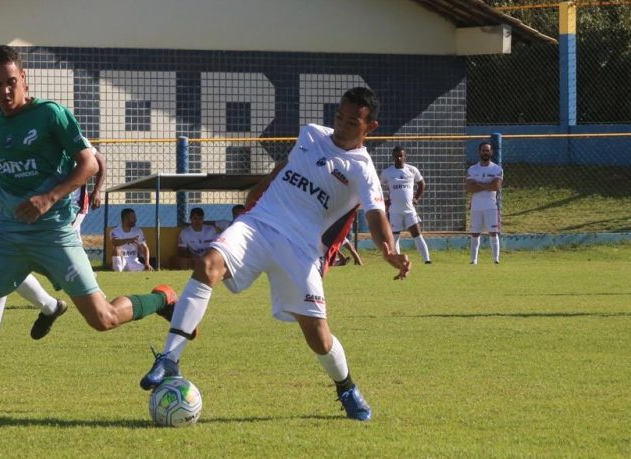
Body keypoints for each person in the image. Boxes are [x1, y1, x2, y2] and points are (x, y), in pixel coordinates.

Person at [0, 45, 178, 415]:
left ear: (24, 79)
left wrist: (49, 197)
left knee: (103, 319)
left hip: (53, 234)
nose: (5, 90)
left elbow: (89, 164)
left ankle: (162, 298)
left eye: (11, 82)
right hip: (8, 235)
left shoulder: (51, 114)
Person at [139, 87, 411, 422]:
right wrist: (261, 187)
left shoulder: (362, 170)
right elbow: (288, 164)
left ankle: (346, 386)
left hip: (300, 249)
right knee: (207, 264)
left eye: (352, 122)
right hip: (259, 223)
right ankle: (169, 358)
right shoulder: (311, 133)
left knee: (318, 335)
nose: (341, 125)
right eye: (339, 116)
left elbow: (375, 213)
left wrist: (388, 248)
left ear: (370, 127)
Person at [0, 103, 107, 363]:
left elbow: (91, 158)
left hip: (40, 214)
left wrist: (66, 194)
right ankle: (51, 306)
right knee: (2, 270)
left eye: (11, 82)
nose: (5, 90)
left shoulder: (43, 116)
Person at [379, 146, 432, 264]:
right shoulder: (387, 172)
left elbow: (422, 184)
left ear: (405, 156)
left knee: (417, 234)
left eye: (401, 155)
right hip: (394, 211)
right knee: (395, 237)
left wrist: (416, 198)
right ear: (393, 157)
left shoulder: (412, 170)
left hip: (409, 210)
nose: (398, 158)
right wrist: (383, 200)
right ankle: (398, 261)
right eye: (396, 156)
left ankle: (427, 260)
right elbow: (377, 186)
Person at [466, 142, 503, 264]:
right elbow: (470, 188)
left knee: (493, 233)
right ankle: (473, 260)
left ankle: (496, 259)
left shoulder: (497, 169)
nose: (485, 153)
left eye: (487, 151)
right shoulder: (472, 169)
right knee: (475, 233)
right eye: (483, 150)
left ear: (491, 152)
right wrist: (488, 185)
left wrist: (478, 183)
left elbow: (496, 186)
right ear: (479, 152)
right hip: (476, 206)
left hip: (491, 206)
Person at [110, 208, 153, 272]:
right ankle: (118, 271)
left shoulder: (138, 231)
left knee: (148, 271)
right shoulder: (115, 231)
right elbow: (115, 242)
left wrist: (147, 263)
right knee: (117, 249)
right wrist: (128, 240)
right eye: (133, 217)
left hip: (133, 262)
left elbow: (144, 247)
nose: (135, 220)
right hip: (122, 260)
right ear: (125, 219)